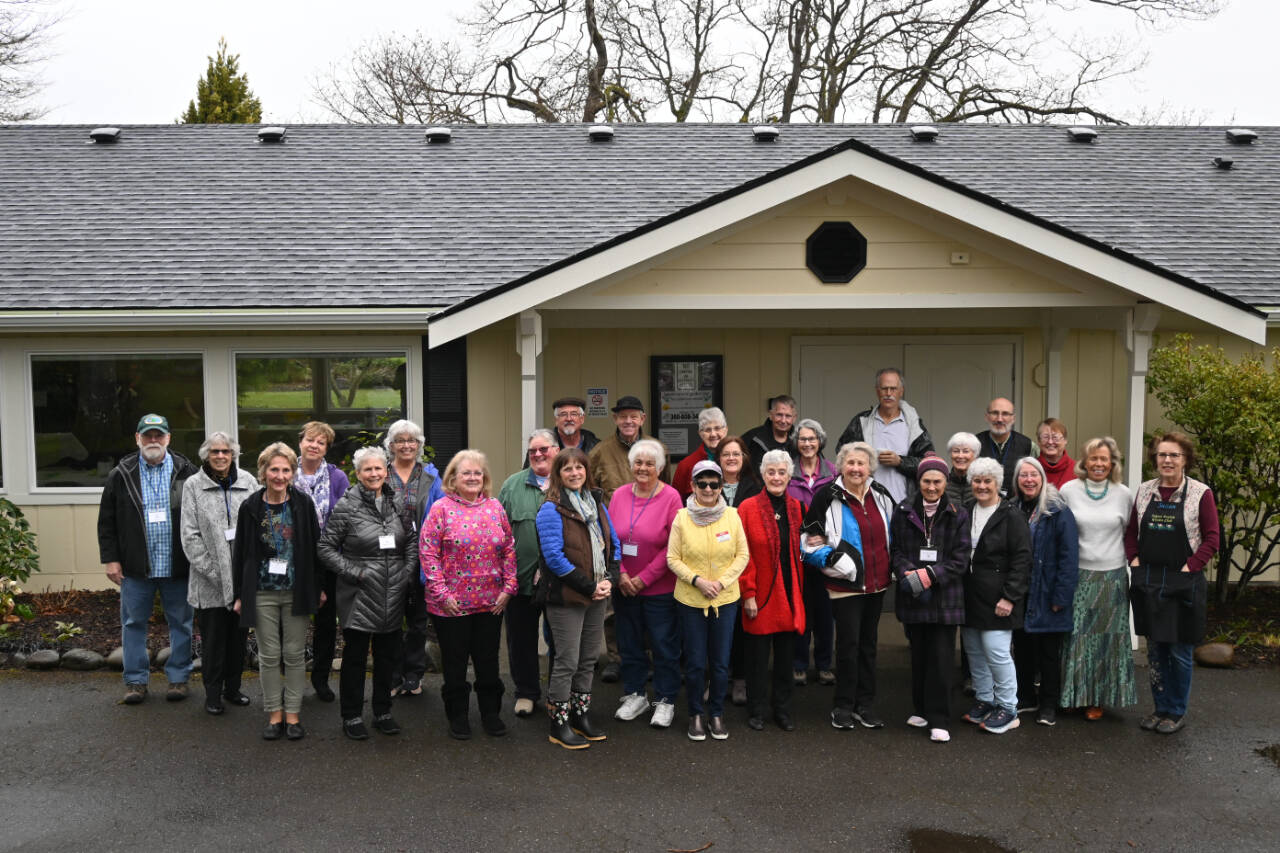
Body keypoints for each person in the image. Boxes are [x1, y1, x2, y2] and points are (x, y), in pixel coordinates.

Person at [98, 413, 199, 705]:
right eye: (148, 435)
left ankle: (179, 678)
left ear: (168, 438)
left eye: (159, 435)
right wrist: (111, 559)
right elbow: (107, 522)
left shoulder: (187, 471)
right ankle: (135, 682)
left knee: (181, 623)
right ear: (137, 438)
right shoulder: (121, 473)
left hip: (177, 565)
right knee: (133, 624)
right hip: (135, 567)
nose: (153, 441)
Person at [318, 447, 418, 741]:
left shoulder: (398, 502)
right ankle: (351, 715)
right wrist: (356, 572)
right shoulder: (346, 506)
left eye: (378, 469)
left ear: (386, 471)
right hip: (360, 593)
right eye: (367, 470)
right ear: (358, 474)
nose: (374, 474)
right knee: (356, 658)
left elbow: (411, 539)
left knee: (388, 656)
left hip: (393, 591)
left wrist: (407, 570)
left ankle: (383, 712)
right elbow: (324, 548)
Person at [420, 449, 518, 740]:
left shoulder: (495, 507)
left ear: (484, 477)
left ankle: (491, 714)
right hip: (451, 606)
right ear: (453, 478)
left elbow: (509, 549)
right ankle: (458, 716)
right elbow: (428, 553)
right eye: (467, 473)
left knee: (488, 663)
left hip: (491, 603)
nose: (473, 477)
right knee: (455, 663)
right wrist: (441, 593)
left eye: (478, 473)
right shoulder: (441, 508)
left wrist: (509, 589)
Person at [1126, 432, 1220, 734]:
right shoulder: (1144, 491)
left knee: (1178, 651)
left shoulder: (1200, 493)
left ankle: (1176, 711)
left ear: (1185, 459)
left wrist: (1189, 567)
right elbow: (1130, 533)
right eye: (1162, 455)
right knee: (1155, 651)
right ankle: (1159, 707)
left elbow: (1212, 538)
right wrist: (1135, 562)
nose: (1167, 460)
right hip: (1149, 580)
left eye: (1174, 455)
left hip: (1183, 583)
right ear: (1155, 459)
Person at [801, 441, 895, 731]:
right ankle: (843, 706)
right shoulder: (825, 497)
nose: (856, 468)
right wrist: (835, 561)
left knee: (868, 646)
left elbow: (892, 532)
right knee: (848, 646)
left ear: (870, 468)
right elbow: (807, 543)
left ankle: (865, 706)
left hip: (876, 585)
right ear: (840, 466)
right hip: (845, 586)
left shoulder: (880, 494)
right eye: (850, 463)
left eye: (861, 464)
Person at [232, 443, 322, 741]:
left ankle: (293, 714)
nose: (280, 476)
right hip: (261, 592)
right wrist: (239, 594)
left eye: (286, 470)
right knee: (269, 655)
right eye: (274, 469)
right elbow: (241, 553)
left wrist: (317, 587)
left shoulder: (303, 504)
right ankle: (274, 714)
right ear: (263, 472)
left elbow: (314, 548)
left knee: (295, 655)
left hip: (296, 590)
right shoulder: (250, 507)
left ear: (293, 473)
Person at [535, 448, 620, 749]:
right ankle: (558, 723)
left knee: (587, 660)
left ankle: (580, 716)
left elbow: (614, 543)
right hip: (567, 596)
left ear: (587, 471)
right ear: (558, 474)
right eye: (567, 468)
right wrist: (589, 586)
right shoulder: (551, 508)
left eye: (579, 467)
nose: (574, 473)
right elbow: (554, 557)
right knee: (567, 661)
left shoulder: (597, 504)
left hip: (598, 593)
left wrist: (610, 578)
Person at [889, 454, 970, 743]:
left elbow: (960, 560)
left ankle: (939, 719)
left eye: (937, 481)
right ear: (918, 481)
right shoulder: (902, 510)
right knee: (920, 657)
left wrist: (929, 576)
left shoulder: (958, 513)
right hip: (914, 596)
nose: (932, 487)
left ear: (945, 482)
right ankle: (921, 709)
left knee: (941, 660)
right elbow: (896, 550)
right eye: (926, 481)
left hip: (945, 598)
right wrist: (907, 572)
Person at [668, 460, 749, 741]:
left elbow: (742, 556)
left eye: (714, 483)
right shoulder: (681, 517)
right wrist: (698, 580)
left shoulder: (733, 515)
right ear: (692, 486)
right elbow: (672, 558)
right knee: (694, 662)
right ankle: (695, 714)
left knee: (720, 662)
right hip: (691, 599)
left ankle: (716, 713)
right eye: (701, 483)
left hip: (724, 599)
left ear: (721, 486)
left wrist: (721, 583)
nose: (708, 488)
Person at [1058, 437, 1137, 721]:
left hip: (1112, 577)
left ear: (1112, 462)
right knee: (1075, 638)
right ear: (1084, 461)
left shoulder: (1124, 494)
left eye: (1104, 459)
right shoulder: (1068, 490)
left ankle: (1096, 699)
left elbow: (1130, 534)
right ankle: (1071, 695)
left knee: (1105, 641)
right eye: (1094, 458)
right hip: (1078, 574)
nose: (1099, 464)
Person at [607, 438, 683, 728]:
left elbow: (674, 546)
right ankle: (635, 694)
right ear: (630, 466)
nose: (643, 468)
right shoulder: (619, 496)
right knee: (629, 643)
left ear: (660, 468)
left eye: (650, 463)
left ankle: (664, 700)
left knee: (664, 646)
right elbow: (612, 538)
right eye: (638, 462)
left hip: (660, 588)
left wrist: (643, 578)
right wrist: (623, 574)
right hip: (624, 586)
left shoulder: (672, 497)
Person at [180, 431, 257, 715]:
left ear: (233, 454)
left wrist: (244, 575)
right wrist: (216, 573)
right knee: (213, 642)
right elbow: (190, 537)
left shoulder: (249, 482)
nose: (221, 456)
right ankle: (213, 694)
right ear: (206, 456)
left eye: (226, 451)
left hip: (242, 580)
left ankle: (233, 688)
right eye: (215, 452)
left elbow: (258, 526)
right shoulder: (193, 486)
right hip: (208, 582)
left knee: (238, 639)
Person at [961, 457, 1031, 735]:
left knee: (997, 652)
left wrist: (1010, 597)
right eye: (977, 480)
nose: (981, 486)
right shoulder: (966, 511)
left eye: (987, 480)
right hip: (969, 596)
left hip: (999, 598)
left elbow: (1023, 559)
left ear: (998, 483)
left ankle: (1008, 707)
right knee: (975, 652)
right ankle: (985, 699)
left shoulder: (1011, 514)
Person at [738, 450, 806, 732]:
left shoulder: (798, 507)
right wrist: (748, 594)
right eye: (771, 472)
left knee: (786, 659)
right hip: (761, 595)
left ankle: (783, 710)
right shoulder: (747, 508)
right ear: (763, 475)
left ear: (789, 476)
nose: (776, 477)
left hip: (791, 595)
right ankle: (757, 710)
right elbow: (742, 555)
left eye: (781, 472)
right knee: (756, 659)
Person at [1011, 456, 1079, 727]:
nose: (1029, 480)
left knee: (1049, 653)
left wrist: (1061, 596)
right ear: (1017, 480)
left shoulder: (1057, 509)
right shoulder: (1012, 507)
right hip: (1021, 592)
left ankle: (1048, 705)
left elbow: (1069, 555)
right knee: (1023, 648)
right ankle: (1026, 697)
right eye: (1023, 475)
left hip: (1048, 592)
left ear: (1042, 478)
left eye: (1033, 475)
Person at [382, 418, 444, 698]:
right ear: (391, 445)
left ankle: (413, 675)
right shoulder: (380, 473)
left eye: (411, 441)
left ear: (419, 446)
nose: (406, 445)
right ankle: (392, 676)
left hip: (422, 556)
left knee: (418, 621)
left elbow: (442, 512)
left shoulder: (431, 476)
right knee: (390, 620)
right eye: (400, 440)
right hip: (388, 558)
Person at [497, 428, 557, 718]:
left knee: (561, 640)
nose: (537, 454)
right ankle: (526, 692)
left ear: (556, 451)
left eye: (544, 449)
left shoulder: (570, 481)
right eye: (533, 450)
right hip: (520, 580)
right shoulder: (512, 485)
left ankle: (560, 694)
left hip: (560, 580)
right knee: (521, 639)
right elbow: (499, 534)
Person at [293, 421, 350, 703]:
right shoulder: (284, 472)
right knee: (293, 621)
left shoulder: (337, 478)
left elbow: (346, 517)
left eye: (321, 442)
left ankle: (321, 679)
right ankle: (290, 682)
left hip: (328, 558)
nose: (314, 445)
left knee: (326, 624)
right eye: (310, 440)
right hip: (293, 560)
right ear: (300, 442)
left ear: (326, 448)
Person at [788, 418, 838, 688]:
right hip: (797, 556)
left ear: (820, 442)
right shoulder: (787, 472)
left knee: (825, 612)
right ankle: (798, 663)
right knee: (801, 609)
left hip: (825, 553)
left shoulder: (833, 472)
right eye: (802, 439)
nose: (807, 444)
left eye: (812, 439)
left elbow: (841, 514)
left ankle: (824, 663)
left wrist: (826, 538)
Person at [836, 368, 934, 503]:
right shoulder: (861, 422)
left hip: (904, 505)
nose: (888, 393)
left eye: (893, 389)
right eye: (884, 388)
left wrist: (900, 461)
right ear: (877, 391)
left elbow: (929, 463)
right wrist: (863, 460)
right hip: (865, 503)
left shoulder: (914, 425)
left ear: (901, 391)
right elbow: (841, 455)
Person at [716, 435, 761, 704]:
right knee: (717, 626)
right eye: (726, 454)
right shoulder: (708, 484)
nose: (731, 458)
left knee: (742, 628)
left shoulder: (756, 487)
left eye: (736, 453)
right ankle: (719, 679)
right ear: (718, 459)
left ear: (744, 457)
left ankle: (741, 679)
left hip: (745, 565)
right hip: (714, 568)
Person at [590, 395, 658, 502]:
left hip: (650, 516)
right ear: (615, 419)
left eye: (633, 417)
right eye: (623, 417)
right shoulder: (599, 452)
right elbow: (591, 493)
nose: (628, 421)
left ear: (642, 419)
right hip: (613, 517)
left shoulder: (658, 450)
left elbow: (665, 489)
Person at [977, 397, 1033, 497]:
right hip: (981, 504)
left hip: (1018, 507)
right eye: (995, 413)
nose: (999, 419)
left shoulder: (1028, 445)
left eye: (1005, 414)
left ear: (1013, 418)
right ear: (987, 417)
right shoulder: (973, 444)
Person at [673, 407, 728, 499]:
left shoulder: (737, 461)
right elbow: (676, 502)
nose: (713, 434)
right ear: (700, 433)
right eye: (707, 430)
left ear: (725, 430)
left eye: (717, 428)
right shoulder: (686, 465)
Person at [741, 395, 797, 470]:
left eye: (788, 416)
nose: (783, 420)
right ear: (770, 415)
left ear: (794, 418)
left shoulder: (799, 441)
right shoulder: (753, 438)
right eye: (779, 415)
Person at [1035, 418, 1075, 489]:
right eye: (1045, 437)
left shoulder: (1077, 470)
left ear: (1065, 440)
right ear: (1038, 441)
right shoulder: (1031, 468)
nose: (1050, 442)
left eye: (1055, 437)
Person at [946, 432, 980, 507]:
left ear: (975, 455)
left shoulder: (982, 484)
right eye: (956, 451)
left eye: (965, 451)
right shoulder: (942, 483)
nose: (960, 456)